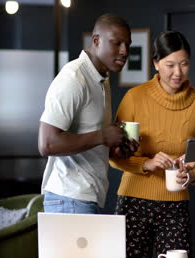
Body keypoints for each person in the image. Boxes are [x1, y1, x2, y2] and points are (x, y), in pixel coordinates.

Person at [109, 31, 195, 258]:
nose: (178, 73)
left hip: (175, 205)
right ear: (155, 63)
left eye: (184, 64)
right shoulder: (134, 98)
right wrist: (146, 163)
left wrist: (192, 175)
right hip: (133, 201)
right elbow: (115, 156)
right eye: (170, 65)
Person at [38, 14, 137, 214]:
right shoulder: (74, 78)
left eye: (127, 44)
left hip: (85, 197)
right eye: (117, 43)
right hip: (69, 198)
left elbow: (88, 141)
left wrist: (116, 151)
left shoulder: (101, 79)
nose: (124, 51)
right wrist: (103, 135)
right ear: (96, 41)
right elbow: (47, 143)